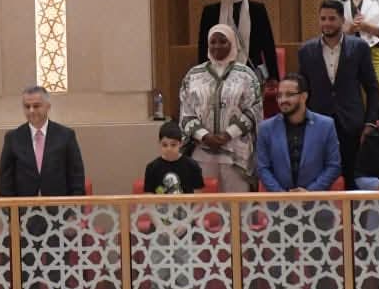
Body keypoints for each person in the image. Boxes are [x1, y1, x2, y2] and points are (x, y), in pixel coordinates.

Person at [297, 0, 379, 189]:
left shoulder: (359, 47)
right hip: (318, 123)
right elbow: (302, 90)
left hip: (351, 123)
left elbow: (372, 87)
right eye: (323, 19)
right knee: (319, 178)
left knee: (352, 178)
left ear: (342, 20)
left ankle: (354, 210)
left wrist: (370, 122)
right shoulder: (306, 50)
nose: (327, 23)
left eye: (332, 19)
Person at [179, 24, 262, 192]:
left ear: (233, 43)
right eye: (213, 42)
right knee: (204, 203)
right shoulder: (193, 75)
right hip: (202, 152)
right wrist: (205, 136)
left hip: (236, 153)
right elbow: (186, 112)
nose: (217, 46)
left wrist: (227, 135)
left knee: (237, 204)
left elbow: (254, 109)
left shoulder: (246, 75)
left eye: (223, 41)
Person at [254, 73, 341, 192]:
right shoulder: (266, 128)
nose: (283, 100)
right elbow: (262, 168)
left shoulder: (326, 125)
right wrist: (282, 195)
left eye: (289, 94)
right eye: (279, 95)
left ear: (304, 96)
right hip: (278, 200)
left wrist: (310, 193)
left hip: (316, 199)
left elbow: (333, 166)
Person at [196, 0, 279, 83]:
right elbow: (204, 45)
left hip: (251, 71)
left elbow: (268, 44)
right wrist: (204, 73)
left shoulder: (257, 10)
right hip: (219, 72)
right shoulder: (211, 11)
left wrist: (273, 76)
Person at [0, 86, 86, 197]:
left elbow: (76, 176)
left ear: (48, 106)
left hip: (59, 206)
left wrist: (74, 206)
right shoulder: (13, 138)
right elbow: (5, 181)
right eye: (27, 106)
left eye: (36, 106)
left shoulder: (66, 136)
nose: (31, 110)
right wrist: (9, 207)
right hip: (24, 206)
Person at [143, 121, 206, 195]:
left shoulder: (192, 165)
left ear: (181, 143)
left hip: (186, 203)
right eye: (165, 145)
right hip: (160, 203)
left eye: (173, 145)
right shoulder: (151, 168)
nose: (169, 149)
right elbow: (148, 197)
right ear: (159, 143)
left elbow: (198, 196)